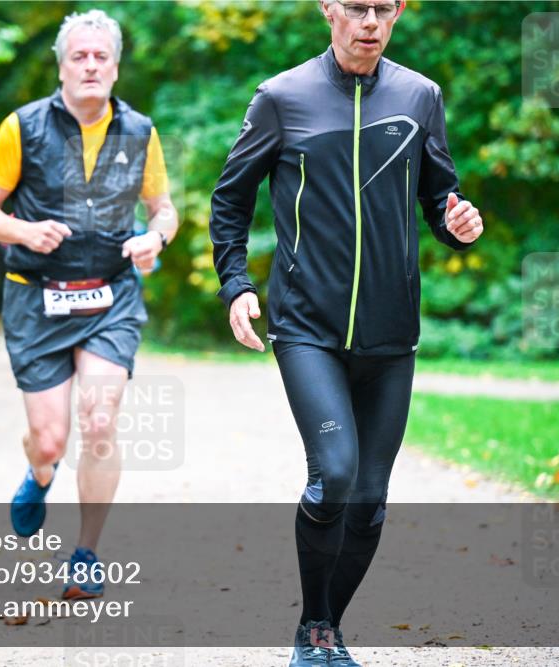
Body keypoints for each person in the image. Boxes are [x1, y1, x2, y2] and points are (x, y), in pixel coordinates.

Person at [208, 2, 484, 665]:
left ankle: (321, 625)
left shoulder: (421, 96)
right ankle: (316, 631)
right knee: (334, 474)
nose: (369, 21)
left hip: (391, 335)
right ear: (329, 9)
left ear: (398, 12)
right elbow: (230, 198)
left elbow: (439, 198)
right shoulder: (281, 98)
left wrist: (457, 224)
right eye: (356, 7)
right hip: (308, 328)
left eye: (382, 8)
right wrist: (236, 283)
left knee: (368, 502)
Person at [0, 9, 178, 599]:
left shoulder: (140, 132)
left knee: (101, 420)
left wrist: (153, 237)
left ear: (114, 68)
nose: (90, 65)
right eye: (78, 56)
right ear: (62, 66)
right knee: (51, 439)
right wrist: (24, 232)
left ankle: (86, 552)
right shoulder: (23, 127)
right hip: (37, 300)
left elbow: (164, 209)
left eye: (100, 57)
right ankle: (40, 473)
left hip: (110, 298)